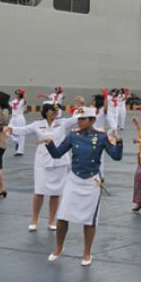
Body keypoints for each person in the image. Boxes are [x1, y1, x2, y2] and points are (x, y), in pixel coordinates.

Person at [44, 107, 123, 266]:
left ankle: (87, 252)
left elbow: (116, 157)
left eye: (83, 119)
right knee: (62, 216)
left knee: (89, 220)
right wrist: (50, 144)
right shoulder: (73, 135)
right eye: (78, 119)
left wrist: (119, 142)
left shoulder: (101, 137)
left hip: (91, 182)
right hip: (74, 179)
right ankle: (59, 247)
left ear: (92, 120)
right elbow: (57, 154)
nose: (79, 121)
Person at [4, 103, 78, 230]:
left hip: (59, 161)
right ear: (46, 112)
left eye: (56, 111)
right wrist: (10, 129)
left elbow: (78, 118)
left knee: (56, 192)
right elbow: (23, 130)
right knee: (39, 191)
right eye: (52, 111)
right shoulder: (37, 124)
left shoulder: (63, 122)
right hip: (42, 161)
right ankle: (35, 219)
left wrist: (80, 106)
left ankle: (52, 220)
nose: (55, 113)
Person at [8, 88, 27, 156]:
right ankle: (16, 141)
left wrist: (24, 93)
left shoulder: (22, 101)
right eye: (16, 94)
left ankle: (20, 151)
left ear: (20, 94)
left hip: (20, 118)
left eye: (17, 94)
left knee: (21, 134)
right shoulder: (14, 101)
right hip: (13, 118)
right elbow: (8, 104)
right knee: (6, 131)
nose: (16, 95)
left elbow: (25, 101)